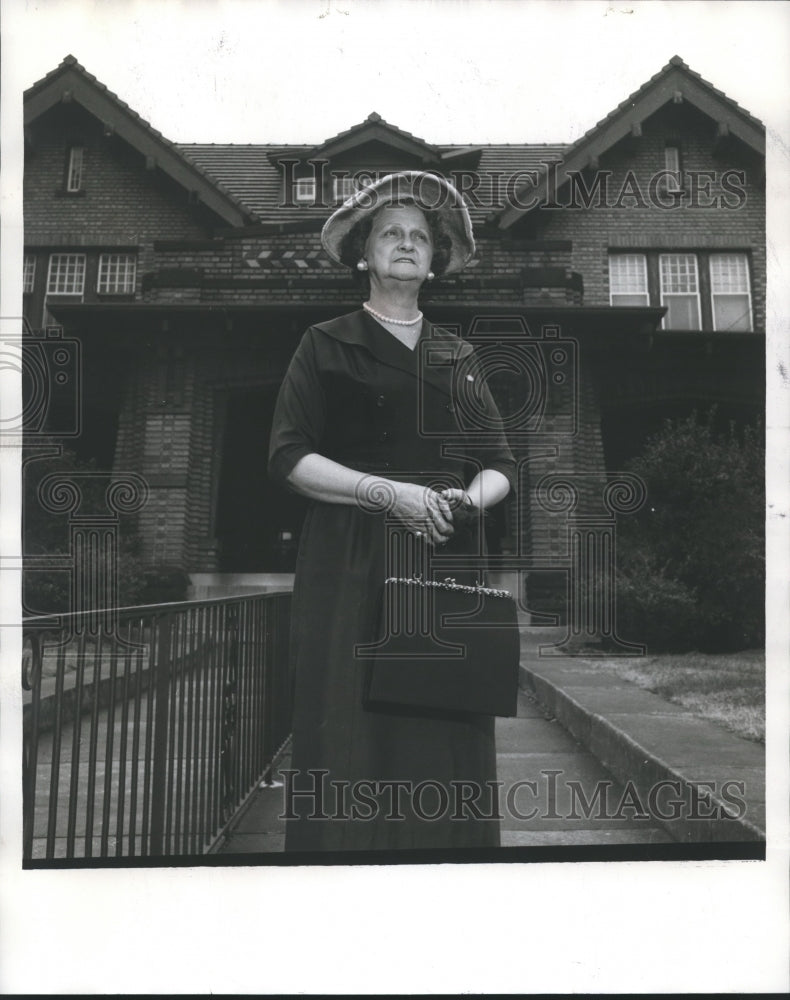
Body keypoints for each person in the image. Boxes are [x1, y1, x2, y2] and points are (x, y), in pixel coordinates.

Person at [268, 171, 516, 853]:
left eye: (419, 237)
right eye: (390, 233)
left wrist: (466, 499)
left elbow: (501, 466)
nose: (406, 244)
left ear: (434, 263)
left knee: (443, 730)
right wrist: (391, 494)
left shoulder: (459, 357)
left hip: (445, 555)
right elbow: (289, 457)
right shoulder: (324, 344)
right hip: (351, 560)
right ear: (362, 253)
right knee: (347, 727)